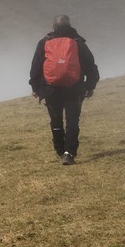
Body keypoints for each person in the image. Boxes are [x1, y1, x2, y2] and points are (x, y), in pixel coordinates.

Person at [28, 14, 100, 165]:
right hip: (74, 89)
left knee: (56, 121)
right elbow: (90, 66)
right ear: (70, 25)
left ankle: (60, 150)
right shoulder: (78, 42)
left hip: (51, 90)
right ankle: (69, 153)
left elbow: (35, 67)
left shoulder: (45, 42)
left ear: (54, 27)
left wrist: (35, 87)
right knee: (72, 122)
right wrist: (90, 86)